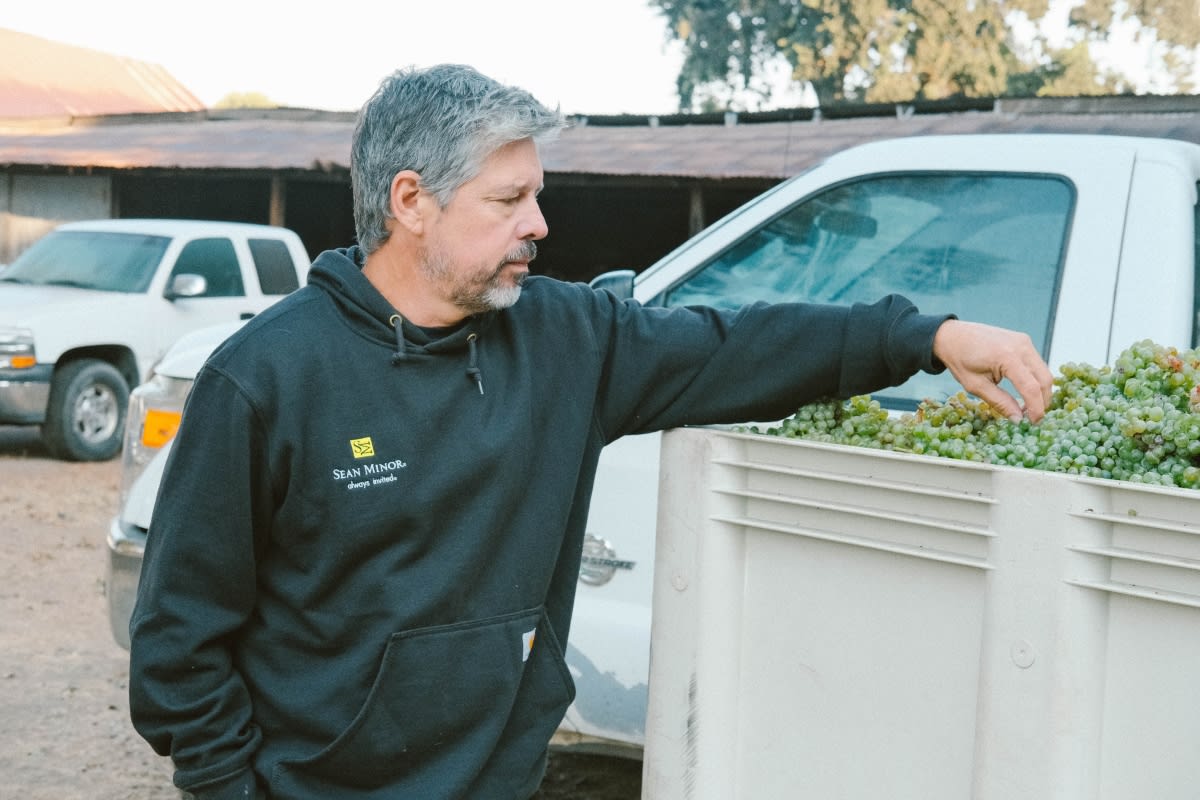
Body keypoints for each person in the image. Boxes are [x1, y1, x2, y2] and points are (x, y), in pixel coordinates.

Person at [128, 63, 1054, 800]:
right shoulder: (266, 378)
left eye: (537, 194)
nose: (539, 223)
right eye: (508, 200)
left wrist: (924, 336)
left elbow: (741, 344)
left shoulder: (569, 337)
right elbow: (178, 646)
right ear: (411, 202)